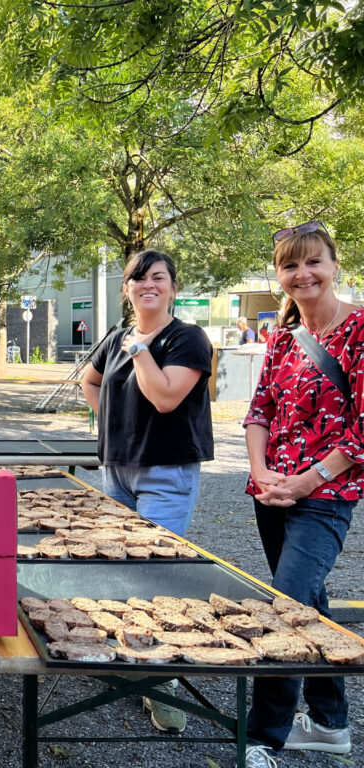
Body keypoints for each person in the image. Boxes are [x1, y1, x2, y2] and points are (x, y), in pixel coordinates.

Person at [242, 222, 362, 768]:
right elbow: (259, 411)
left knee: (285, 606)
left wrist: (308, 480)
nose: (302, 273)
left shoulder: (359, 330)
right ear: (279, 275)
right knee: (308, 601)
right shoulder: (283, 337)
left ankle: (263, 737)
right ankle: (331, 723)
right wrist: (261, 471)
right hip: (272, 491)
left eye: (313, 261)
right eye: (290, 265)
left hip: (326, 494)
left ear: (334, 265)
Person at [81, 248, 214, 734]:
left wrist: (140, 348)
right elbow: (91, 382)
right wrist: (114, 423)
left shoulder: (187, 338)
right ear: (127, 289)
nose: (148, 285)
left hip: (167, 472)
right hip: (117, 469)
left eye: (158, 277)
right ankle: (129, 656)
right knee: (118, 566)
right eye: (138, 278)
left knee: (153, 571)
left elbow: (164, 397)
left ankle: (161, 683)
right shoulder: (114, 337)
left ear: (173, 287)